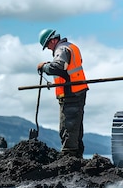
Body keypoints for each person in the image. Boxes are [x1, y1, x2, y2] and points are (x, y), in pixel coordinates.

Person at [37, 28, 89, 158]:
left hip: (71, 93)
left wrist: (44, 67)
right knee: (76, 127)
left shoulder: (61, 49)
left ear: (53, 40)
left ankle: (69, 157)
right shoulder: (71, 47)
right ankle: (77, 156)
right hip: (77, 91)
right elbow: (66, 68)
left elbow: (59, 66)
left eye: (48, 45)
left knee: (68, 126)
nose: (48, 48)